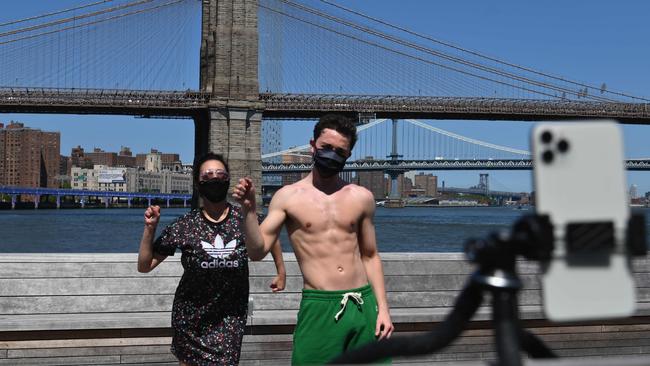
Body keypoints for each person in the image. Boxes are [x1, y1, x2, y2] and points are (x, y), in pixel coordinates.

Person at [233, 114, 394, 364]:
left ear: (348, 155)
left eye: (340, 152)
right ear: (312, 146)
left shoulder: (361, 197)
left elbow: (370, 255)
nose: (332, 155)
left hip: (364, 304)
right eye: (326, 148)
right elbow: (256, 251)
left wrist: (383, 308)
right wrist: (249, 211)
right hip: (319, 305)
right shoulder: (288, 197)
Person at [137, 152, 286, 365]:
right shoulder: (184, 226)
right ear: (198, 184)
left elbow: (270, 237)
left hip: (230, 316)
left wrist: (281, 271)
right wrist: (150, 229)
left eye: (220, 174)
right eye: (207, 176)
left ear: (227, 180)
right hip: (190, 319)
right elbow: (145, 265)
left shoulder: (244, 219)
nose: (214, 179)